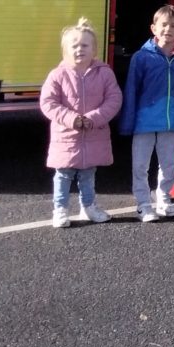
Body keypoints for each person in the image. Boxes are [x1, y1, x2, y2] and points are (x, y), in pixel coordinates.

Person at [120, 5, 174, 222]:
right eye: (163, 25)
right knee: (141, 165)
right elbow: (131, 90)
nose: (168, 29)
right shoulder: (141, 57)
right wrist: (127, 122)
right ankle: (144, 204)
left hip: (172, 121)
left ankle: (164, 199)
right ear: (153, 28)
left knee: (168, 165)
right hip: (143, 122)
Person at [40, 17, 122, 227]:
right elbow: (48, 103)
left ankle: (89, 207)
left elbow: (114, 99)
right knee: (63, 175)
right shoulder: (57, 75)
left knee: (88, 174)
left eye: (84, 45)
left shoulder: (104, 73)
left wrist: (94, 118)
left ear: (94, 49)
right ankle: (60, 210)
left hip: (94, 136)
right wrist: (71, 119)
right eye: (74, 46)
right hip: (66, 137)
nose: (79, 49)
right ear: (65, 51)